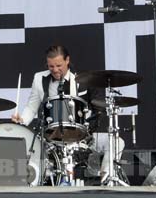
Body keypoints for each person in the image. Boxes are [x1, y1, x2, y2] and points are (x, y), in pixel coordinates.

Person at [12, 45, 125, 183]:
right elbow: (31, 106)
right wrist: (21, 120)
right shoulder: (39, 79)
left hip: (80, 136)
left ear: (67, 60)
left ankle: (106, 179)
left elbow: (96, 109)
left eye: (59, 65)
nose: (55, 70)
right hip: (50, 139)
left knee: (116, 142)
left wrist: (89, 126)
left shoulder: (81, 80)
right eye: (51, 66)